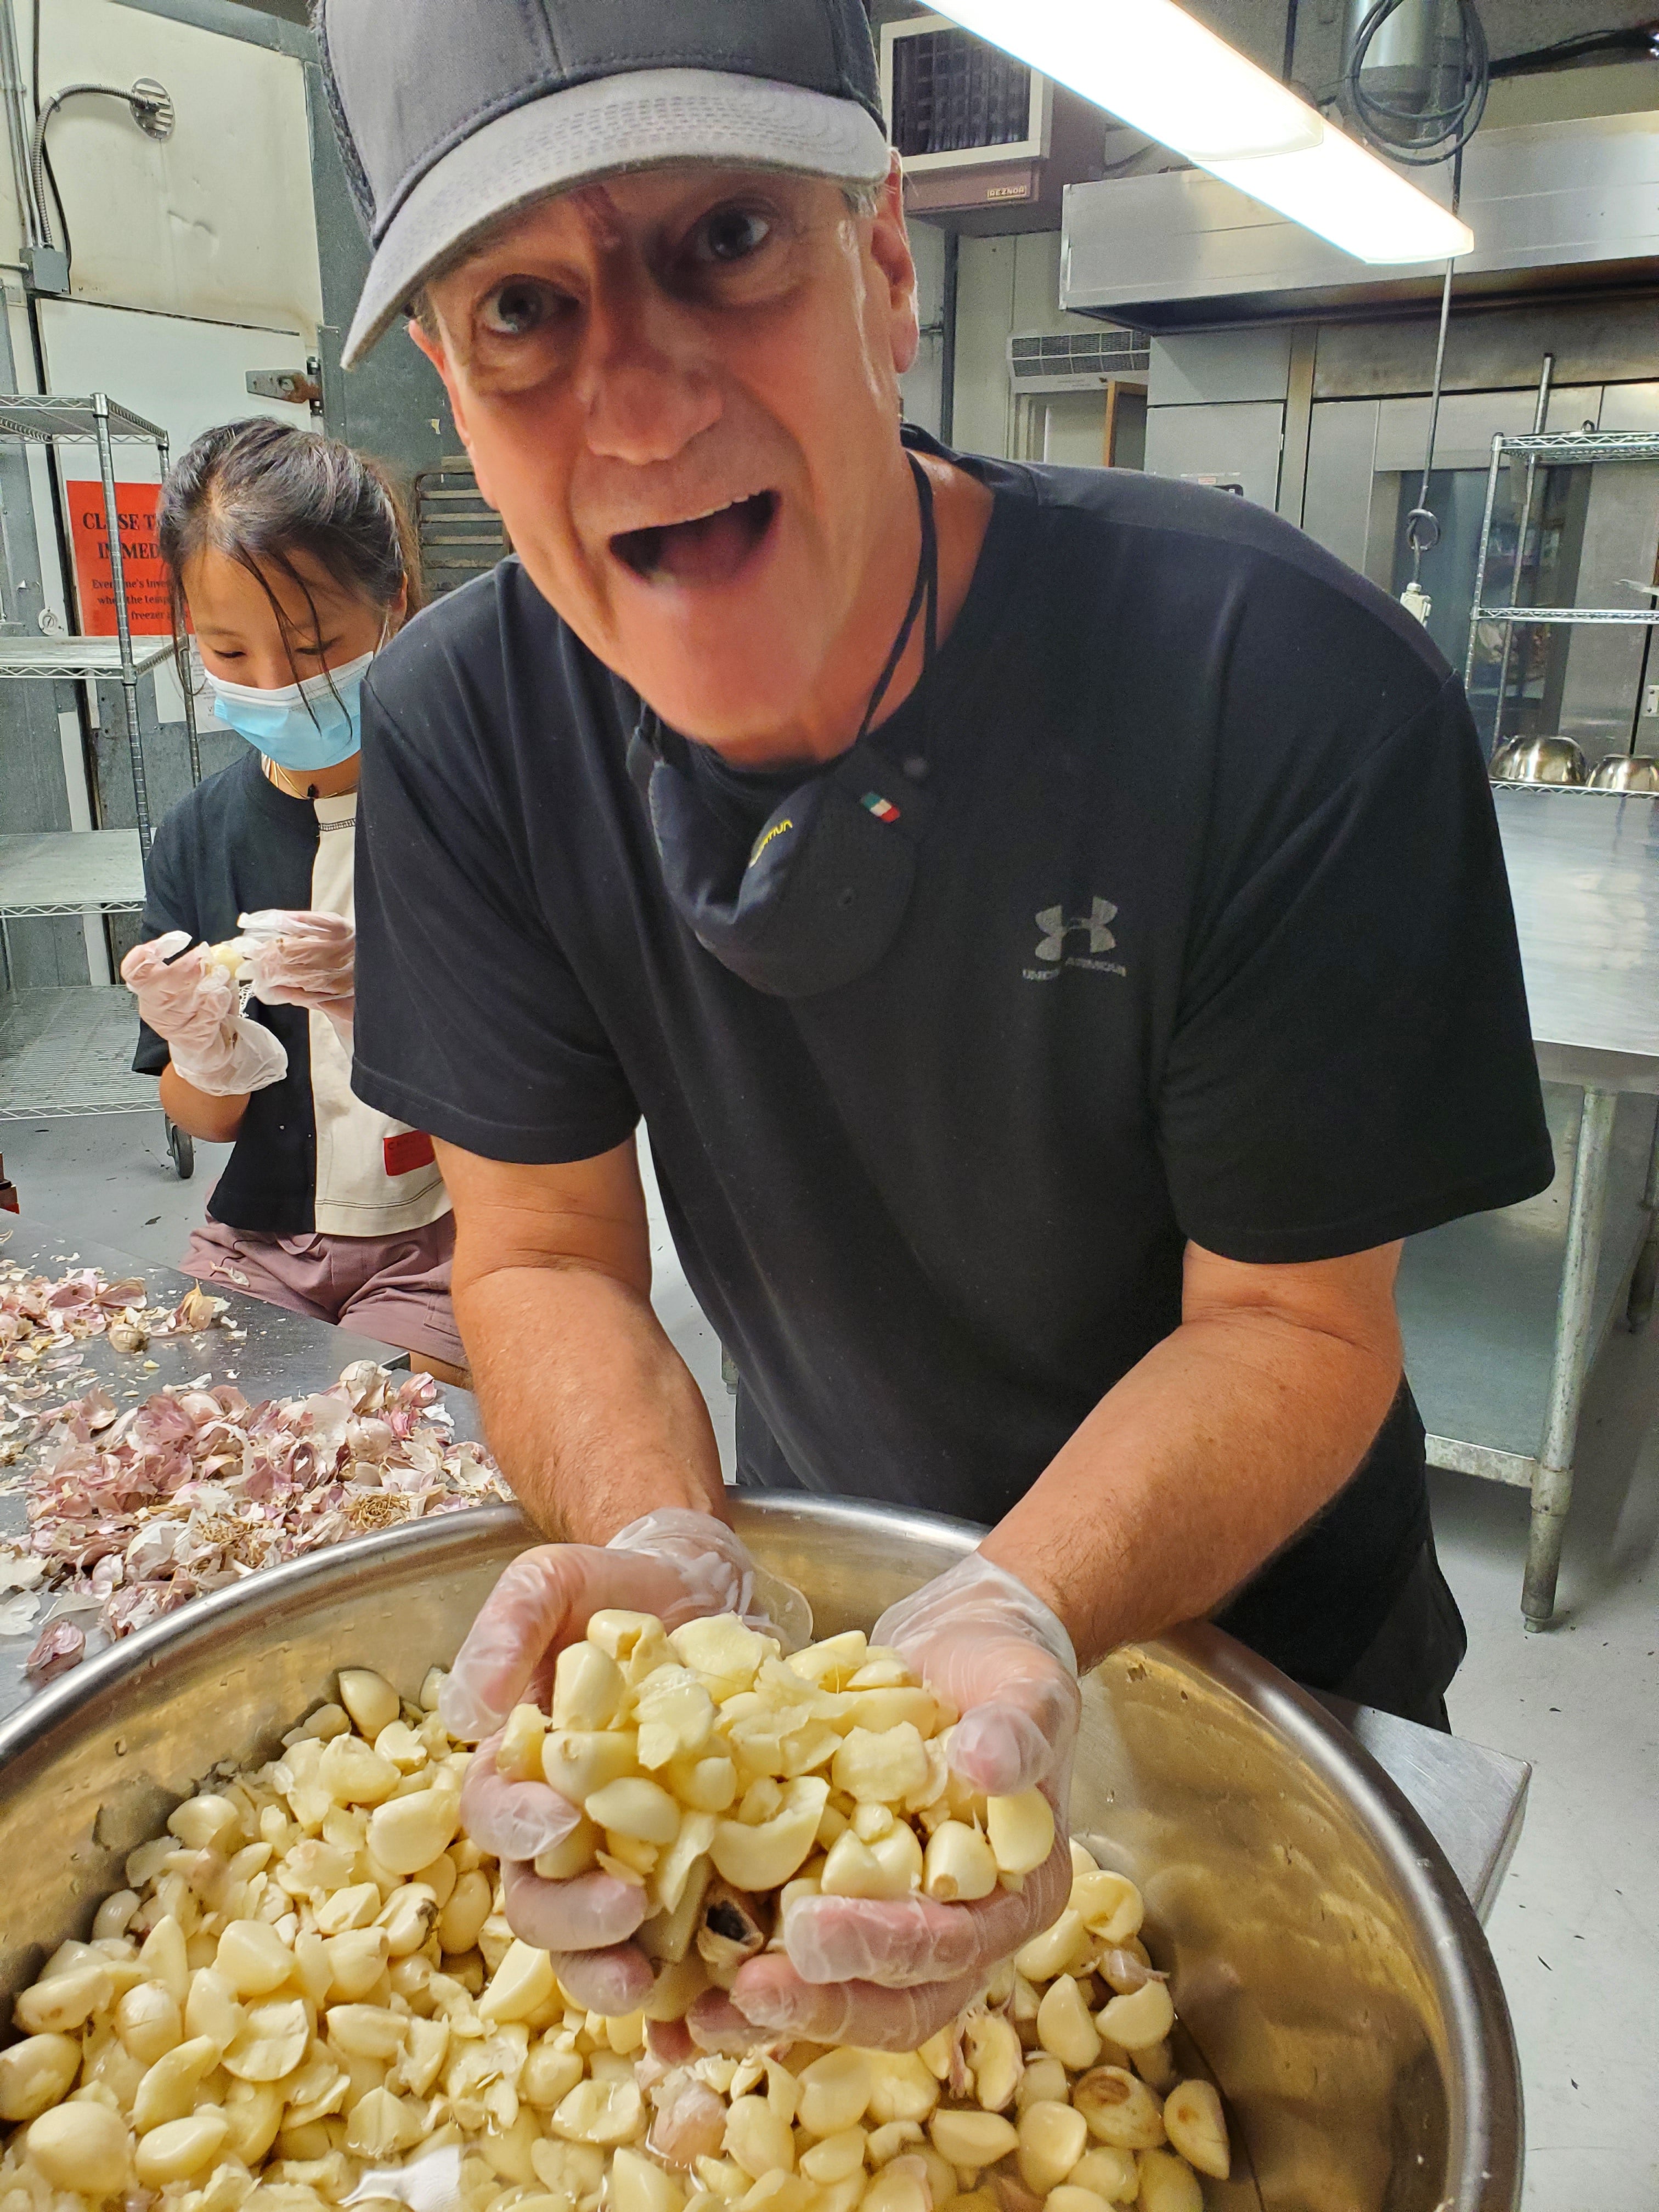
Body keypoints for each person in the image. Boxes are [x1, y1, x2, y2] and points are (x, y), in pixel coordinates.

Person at [317, 0, 1554, 2045]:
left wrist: (1019, 1608)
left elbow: (1293, 1324)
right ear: (448, 388)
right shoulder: (461, 739)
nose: (634, 401)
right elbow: (537, 1250)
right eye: (524, 307)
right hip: (825, 1589)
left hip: (1269, 1657)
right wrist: (662, 1549)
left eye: (725, 239)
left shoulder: (1274, 689)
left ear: (883, 264)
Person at [120, 419, 467, 1385]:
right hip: (261, 1237)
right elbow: (207, 1124)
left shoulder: (469, 808)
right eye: (229, 654)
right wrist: (202, 1044)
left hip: (445, 1235)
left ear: (392, 607)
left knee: (399, 1466)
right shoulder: (199, 834)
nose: (278, 687)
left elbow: (544, 1102)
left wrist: (380, 1007)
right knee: (200, 1456)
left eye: (315, 646)